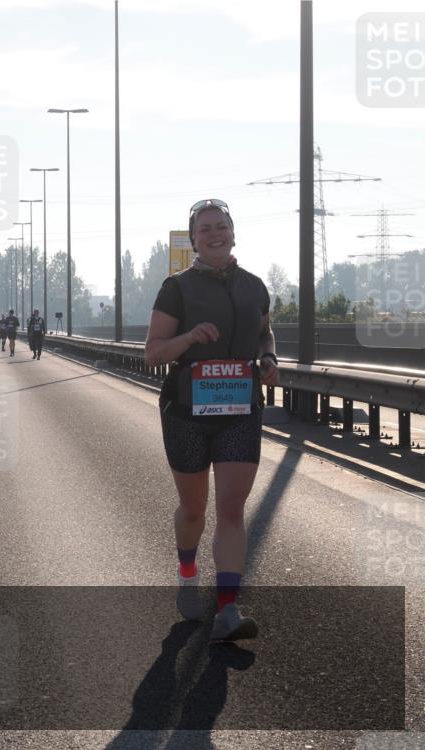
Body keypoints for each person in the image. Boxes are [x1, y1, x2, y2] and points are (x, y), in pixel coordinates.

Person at [145, 198, 279, 642]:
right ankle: (187, 573)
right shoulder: (176, 288)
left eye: (221, 226)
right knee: (194, 508)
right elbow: (153, 353)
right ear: (194, 239)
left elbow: (264, 331)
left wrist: (268, 356)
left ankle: (227, 609)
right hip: (187, 413)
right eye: (205, 229)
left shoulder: (254, 285)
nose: (214, 233)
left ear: (233, 233)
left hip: (240, 410)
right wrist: (189, 336)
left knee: (232, 510)